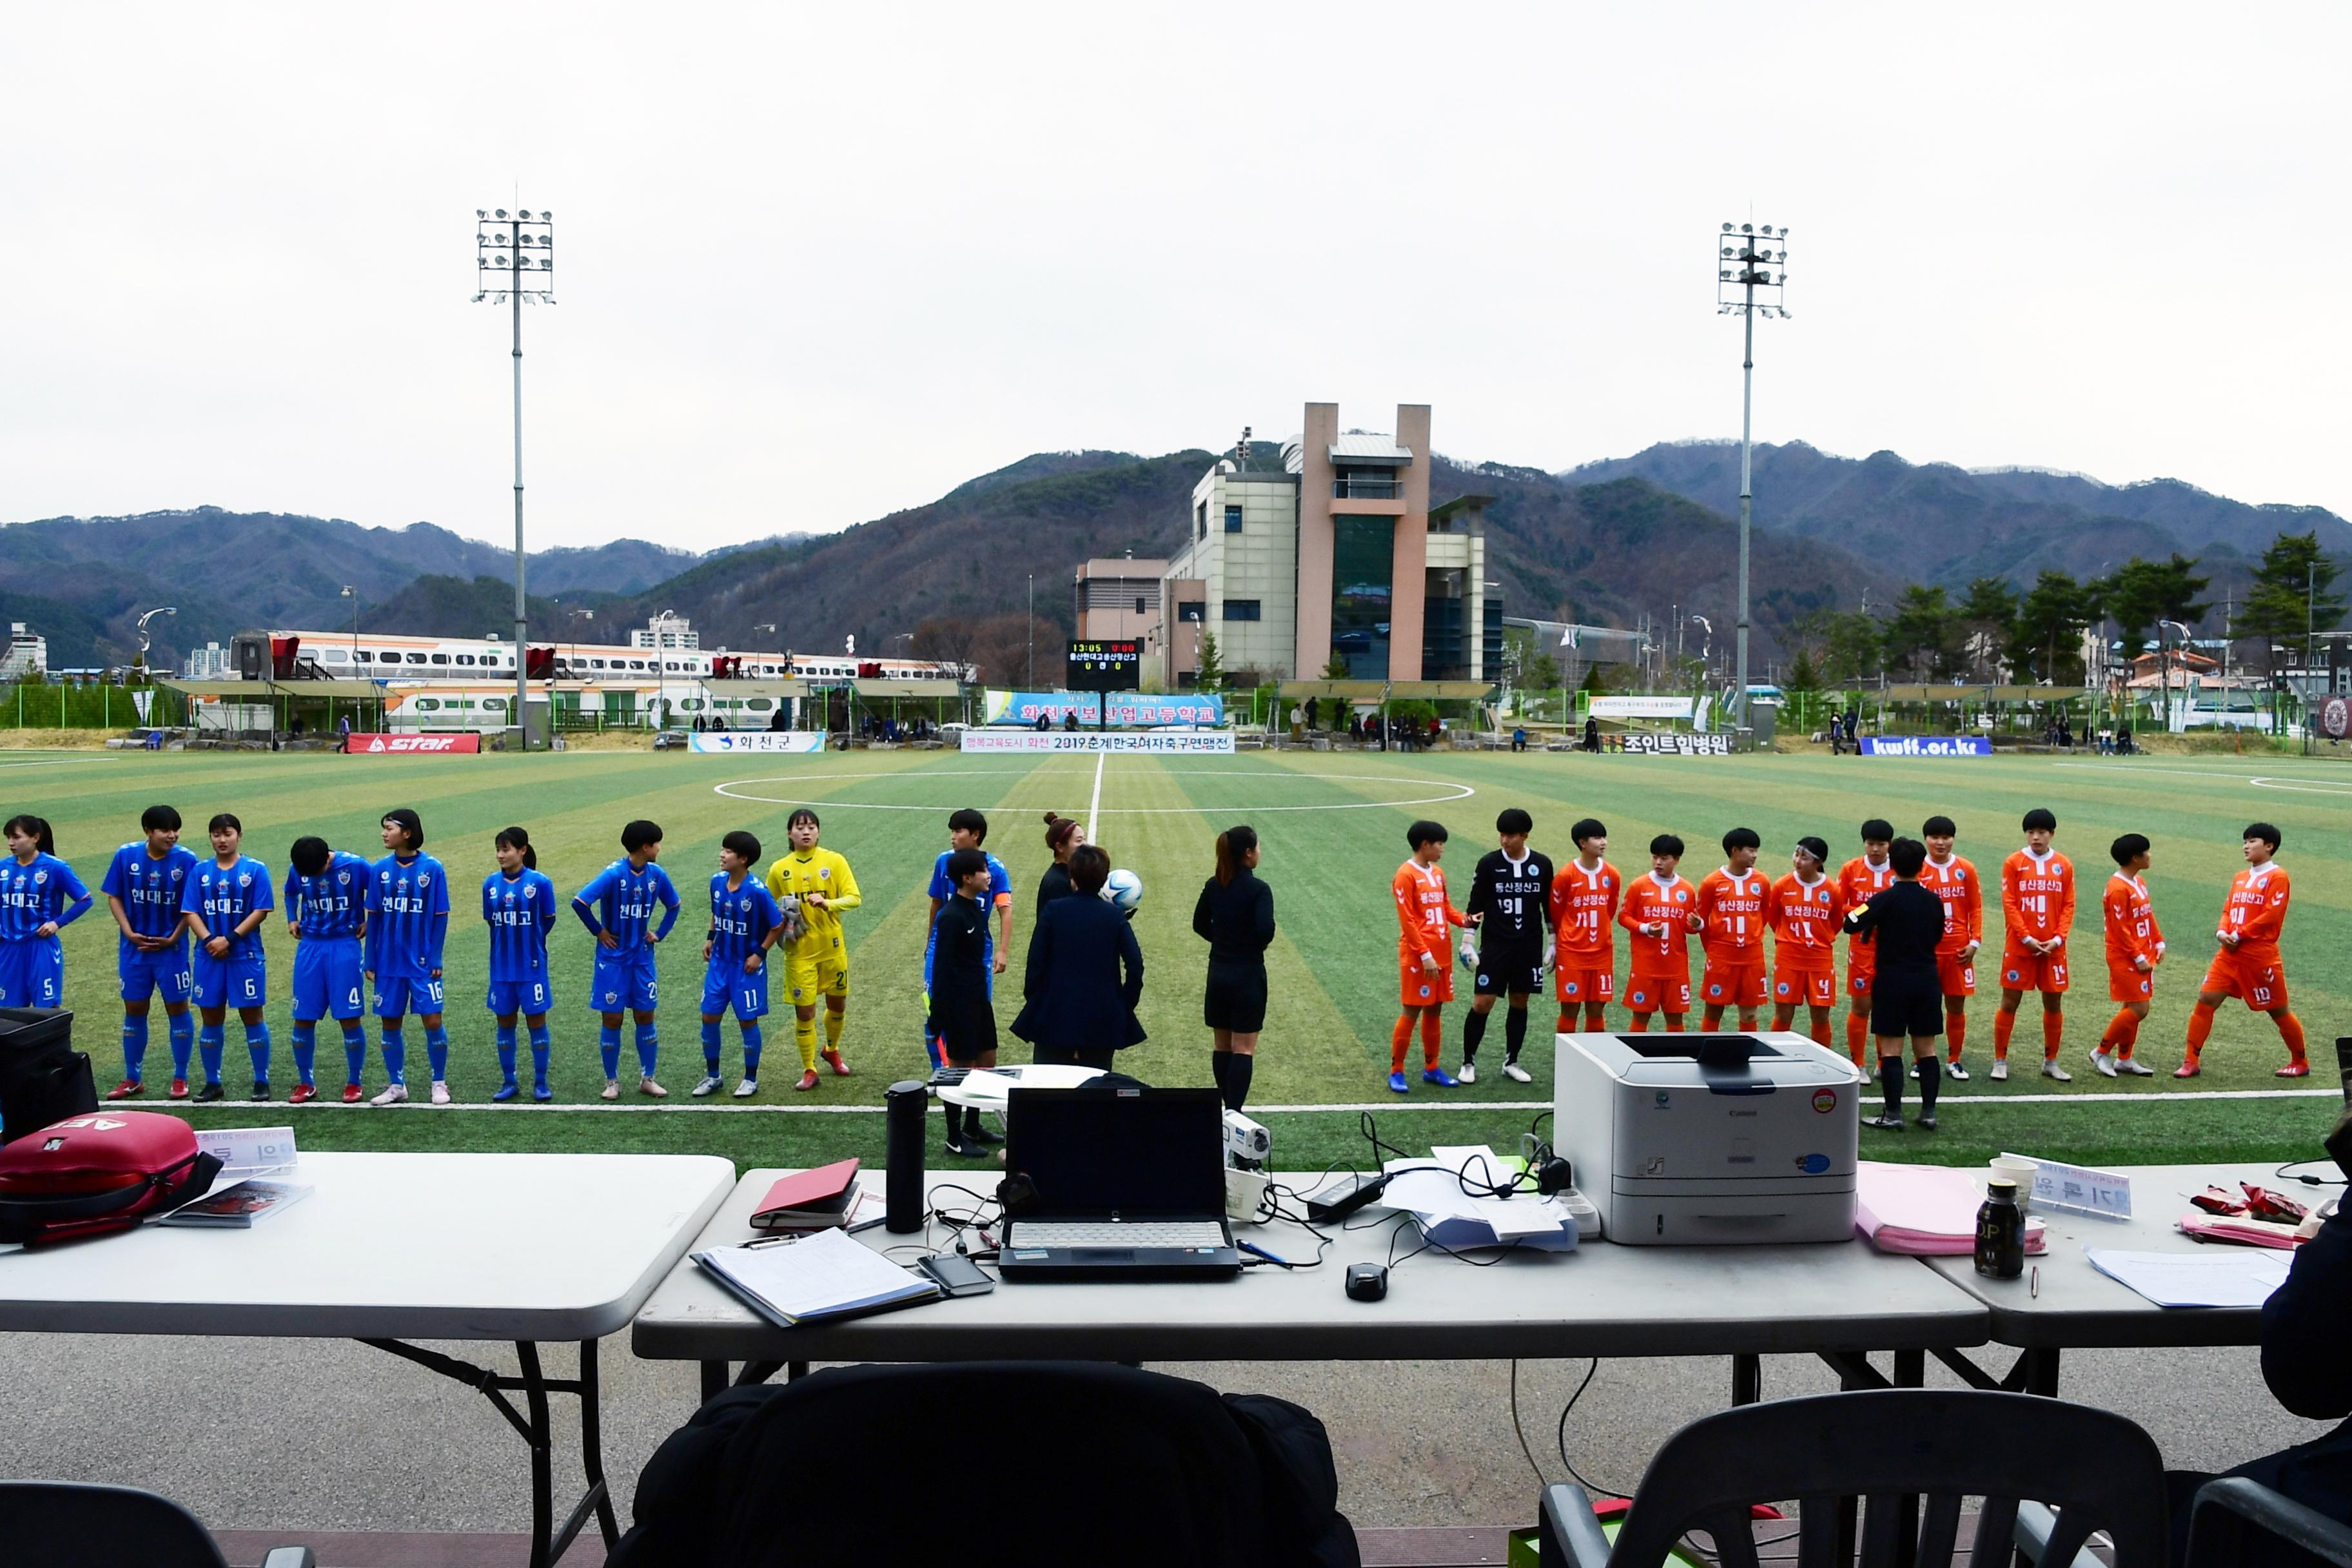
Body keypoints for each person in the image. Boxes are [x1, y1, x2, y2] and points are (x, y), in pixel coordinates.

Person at [2179, 821, 2306, 1079]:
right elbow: (2229, 909)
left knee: (2278, 1010)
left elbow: (2272, 915)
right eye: (2245, 841)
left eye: (2253, 841)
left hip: (2259, 957)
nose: (2246, 846)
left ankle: (2300, 1061)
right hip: (2228, 955)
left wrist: (2239, 933)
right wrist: (2222, 931)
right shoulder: (2240, 877)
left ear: (2269, 846)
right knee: (2206, 1001)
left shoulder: (2278, 877)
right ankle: (2191, 1061)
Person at [1844, 837, 1948, 1132]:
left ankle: (1893, 1113)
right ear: (1922, 865)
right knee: (1927, 1049)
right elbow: (1938, 934)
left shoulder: (1883, 900)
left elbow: (1851, 922)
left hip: (1892, 981)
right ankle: (1928, 1112)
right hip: (1927, 980)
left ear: (1891, 865)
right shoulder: (1933, 901)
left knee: (1891, 1049)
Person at [574, 819, 682, 1099]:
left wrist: (659, 934)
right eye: (657, 843)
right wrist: (600, 932)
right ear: (646, 847)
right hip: (613, 962)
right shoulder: (613, 875)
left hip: (642, 961)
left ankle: (648, 1078)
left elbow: (674, 905)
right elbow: (580, 902)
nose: (660, 848)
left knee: (645, 1015)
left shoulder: (657, 875)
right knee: (612, 1019)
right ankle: (612, 1082)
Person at [1014, 845, 1144, 1073]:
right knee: (1094, 1091)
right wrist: (1124, 1004)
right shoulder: (1114, 915)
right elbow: (1135, 964)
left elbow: (1035, 961)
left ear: (1072, 876)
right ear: (1104, 879)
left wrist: (1037, 1000)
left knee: (1048, 1088)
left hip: (1054, 1013)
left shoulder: (1054, 910)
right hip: (1101, 1017)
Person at [99, 804, 199, 1100]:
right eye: (165, 830)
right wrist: (128, 932)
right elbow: (114, 896)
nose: (172, 836)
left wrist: (174, 937)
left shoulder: (187, 860)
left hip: (172, 951)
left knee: (178, 1008)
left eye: (176, 830)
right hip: (134, 950)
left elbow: (191, 906)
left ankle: (180, 1077)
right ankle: (133, 1078)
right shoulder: (126, 855)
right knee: (135, 1010)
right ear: (148, 832)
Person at [765, 808, 862, 1092]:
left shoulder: (834, 861)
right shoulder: (779, 869)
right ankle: (809, 1069)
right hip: (800, 953)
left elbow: (854, 898)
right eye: (799, 827)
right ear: (789, 833)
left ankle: (831, 1049)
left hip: (832, 949)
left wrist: (828, 903)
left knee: (837, 1005)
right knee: (804, 1012)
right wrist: (781, 920)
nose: (806, 832)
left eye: (811, 827)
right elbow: (768, 906)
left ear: (818, 831)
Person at [179, 812, 273, 1102]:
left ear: (239, 836)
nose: (222, 840)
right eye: (217, 834)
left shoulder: (255, 869)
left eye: (228, 834)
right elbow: (190, 911)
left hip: (244, 954)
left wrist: (228, 939)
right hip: (209, 956)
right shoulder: (200, 871)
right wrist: (209, 940)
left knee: (252, 1015)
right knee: (211, 1016)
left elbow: (261, 910)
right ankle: (213, 1082)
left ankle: (261, 1079)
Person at [1458, 807, 1554, 1085]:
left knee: (1520, 1000)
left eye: (1510, 835)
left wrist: (1553, 943)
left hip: (1528, 945)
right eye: (1501, 835)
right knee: (1482, 1002)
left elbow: (1548, 907)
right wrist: (1467, 941)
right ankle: (1468, 1062)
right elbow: (1475, 904)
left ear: (1524, 835)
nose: (1504, 840)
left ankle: (1512, 1061)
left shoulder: (1542, 864)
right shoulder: (1488, 864)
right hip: (1496, 945)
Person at [364, 808, 452, 1106]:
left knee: (432, 1019)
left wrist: (436, 957)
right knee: (390, 1022)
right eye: (384, 828)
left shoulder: (432, 868)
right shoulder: (380, 869)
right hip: (388, 963)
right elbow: (373, 917)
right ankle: (396, 1084)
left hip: (422, 962)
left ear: (408, 833)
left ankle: (439, 1082)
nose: (384, 833)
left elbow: (441, 916)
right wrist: (370, 959)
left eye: (389, 828)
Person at [1387, 821, 1475, 1092]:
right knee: (1412, 1011)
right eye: (1439, 844)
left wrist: (1465, 920)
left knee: (1435, 1009)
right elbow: (1409, 921)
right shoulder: (1405, 875)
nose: (1442, 850)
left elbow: (1445, 907)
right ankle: (1397, 1070)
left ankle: (1431, 1067)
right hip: (1419, 957)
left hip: (1442, 953)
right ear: (1425, 845)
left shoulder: (1437, 873)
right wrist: (1424, 955)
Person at [697, 830, 785, 1099]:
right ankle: (713, 1076)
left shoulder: (757, 891)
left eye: (728, 851)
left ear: (743, 859)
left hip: (746, 968)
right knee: (709, 1017)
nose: (722, 855)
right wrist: (711, 938)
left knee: (747, 1021)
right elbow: (716, 912)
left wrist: (759, 954)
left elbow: (777, 924)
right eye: (723, 849)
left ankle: (750, 1078)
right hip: (719, 964)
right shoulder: (716, 882)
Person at [922, 808, 1010, 1072]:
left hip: (977, 951)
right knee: (935, 1008)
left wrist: (1003, 951)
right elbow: (937, 902)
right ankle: (940, 1071)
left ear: (975, 835)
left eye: (958, 831)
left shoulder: (994, 869)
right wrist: (929, 942)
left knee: (975, 1012)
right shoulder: (944, 862)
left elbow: (1005, 909)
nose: (952, 837)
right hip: (943, 944)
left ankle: (969, 1073)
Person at [1193, 824, 1273, 1111]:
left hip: (1218, 974)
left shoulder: (1214, 885)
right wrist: (1247, 944)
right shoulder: (1259, 889)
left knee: (1222, 1045)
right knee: (1243, 1049)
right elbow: (1265, 931)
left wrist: (1224, 940)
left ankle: (1225, 1105)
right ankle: (1235, 1112)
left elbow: (1198, 924)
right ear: (1249, 853)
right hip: (1247, 975)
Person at [286, 834, 369, 1105]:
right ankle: (306, 1082)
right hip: (310, 947)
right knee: (303, 1017)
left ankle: (354, 1081)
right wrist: (292, 918)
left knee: (349, 1017)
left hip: (344, 946)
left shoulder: (355, 866)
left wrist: (370, 922)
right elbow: (290, 892)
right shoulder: (298, 868)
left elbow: (379, 894)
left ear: (327, 858)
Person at [1994, 807, 2076, 1083]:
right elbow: (2010, 904)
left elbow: (2068, 905)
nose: (2036, 837)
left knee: (2053, 1003)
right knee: (2010, 1001)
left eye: (2041, 832)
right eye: (2031, 832)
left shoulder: (2063, 864)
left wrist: (2057, 939)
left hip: (2053, 949)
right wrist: (2026, 937)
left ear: (2052, 834)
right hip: (2020, 947)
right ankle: (2000, 1061)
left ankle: (2051, 1062)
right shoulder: (2014, 862)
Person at [929, 847, 1000, 1158]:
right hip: (958, 1003)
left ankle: (973, 1126)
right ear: (967, 878)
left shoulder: (974, 909)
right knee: (961, 1068)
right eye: (984, 871)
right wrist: (939, 1014)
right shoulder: (951, 916)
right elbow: (942, 967)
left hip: (978, 999)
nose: (989, 875)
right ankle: (954, 1137)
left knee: (987, 1059)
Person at [484, 826, 558, 1102]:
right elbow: (491, 921)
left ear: (522, 851)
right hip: (502, 969)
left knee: (536, 1023)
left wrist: (531, 942)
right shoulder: (490, 884)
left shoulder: (540, 883)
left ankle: (540, 1082)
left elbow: (548, 920)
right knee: (505, 1024)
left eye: (506, 849)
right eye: (498, 850)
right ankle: (509, 1081)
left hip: (532, 968)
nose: (500, 855)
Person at [0, 814, 91, 1017]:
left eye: (16, 837)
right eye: (8, 837)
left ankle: (52, 1049)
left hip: (40, 946)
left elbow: (85, 899)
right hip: (8, 947)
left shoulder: (55, 867)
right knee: (8, 1012)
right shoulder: (3, 868)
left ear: (35, 838)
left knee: (47, 1011)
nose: (11, 843)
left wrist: (56, 924)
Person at [2093, 832, 2162, 1079]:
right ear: (2135, 858)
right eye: (2147, 852)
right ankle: (2101, 1051)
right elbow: (2118, 929)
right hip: (2125, 956)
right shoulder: (2117, 889)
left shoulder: (2139, 882)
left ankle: (2124, 1058)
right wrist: (2137, 956)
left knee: (2132, 1006)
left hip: (2142, 951)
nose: (2150, 856)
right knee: (2140, 1009)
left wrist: (2159, 941)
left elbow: (2147, 914)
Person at [1919, 815, 1983, 1080]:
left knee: (1956, 1007)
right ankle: (1920, 1059)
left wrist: (1974, 942)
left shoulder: (1965, 868)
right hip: (1926, 952)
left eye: (1946, 837)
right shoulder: (1918, 869)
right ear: (1926, 839)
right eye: (1935, 837)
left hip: (1959, 950)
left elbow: (1975, 907)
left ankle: (1954, 1060)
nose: (1941, 843)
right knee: (1925, 1006)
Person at [1769, 836, 1846, 1052]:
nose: (1798, 860)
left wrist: (1820, 939)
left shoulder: (1832, 889)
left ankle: (1823, 1059)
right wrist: (1788, 939)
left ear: (1818, 863)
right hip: (1788, 958)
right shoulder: (1782, 885)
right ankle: (1775, 1057)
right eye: (1797, 854)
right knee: (1784, 1013)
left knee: (1820, 1014)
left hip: (1819, 960)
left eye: (1805, 857)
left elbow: (1836, 922)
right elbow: (1774, 917)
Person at [1618, 834, 1700, 1033]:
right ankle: (1636, 1059)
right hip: (1646, 965)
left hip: (1675, 966)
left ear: (1677, 860)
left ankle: (1676, 1059)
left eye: (1664, 858)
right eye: (1655, 857)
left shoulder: (1686, 889)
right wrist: (1646, 929)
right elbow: (1624, 917)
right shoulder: (1639, 885)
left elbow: (1689, 927)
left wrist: (1698, 924)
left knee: (1675, 1017)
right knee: (1641, 1015)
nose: (1658, 862)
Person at [1549, 818, 1620, 1039]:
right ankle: (1567, 1055)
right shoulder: (1565, 875)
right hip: (1572, 953)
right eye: (1597, 838)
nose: (1603, 843)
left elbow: (1610, 909)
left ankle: (1594, 1056)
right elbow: (1557, 913)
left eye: (1604, 837)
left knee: (1597, 1009)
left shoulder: (1612, 875)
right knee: (1570, 1008)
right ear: (1583, 843)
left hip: (1601, 952)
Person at [1838, 820, 1898, 1068]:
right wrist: (1868, 913)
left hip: (1892, 947)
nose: (1875, 849)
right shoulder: (1851, 869)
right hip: (1861, 947)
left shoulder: (1898, 870)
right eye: (1870, 844)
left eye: (1881, 844)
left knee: (1887, 1005)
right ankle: (1858, 1063)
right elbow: (1840, 905)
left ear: (1889, 845)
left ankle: (1883, 1062)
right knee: (1861, 1006)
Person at [1696, 827, 1769, 1030]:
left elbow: (1764, 915)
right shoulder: (1712, 882)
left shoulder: (1761, 881)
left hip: (1752, 957)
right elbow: (1701, 919)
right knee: (1714, 1009)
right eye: (1750, 850)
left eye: (1756, 851)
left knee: (1749, 1013)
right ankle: (1708, 1057)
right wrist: (1712, 949)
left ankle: (1745, 1057)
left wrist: (1751, 936)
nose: (1755, 855)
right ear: (1735, 851)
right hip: (1721, 956)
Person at [1035, 812, 1084, 914]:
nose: (1085, 845)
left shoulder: (1067, 874)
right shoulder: (1058, 884)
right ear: (1060, 847)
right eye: (1079, 841)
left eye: (1084, 839)